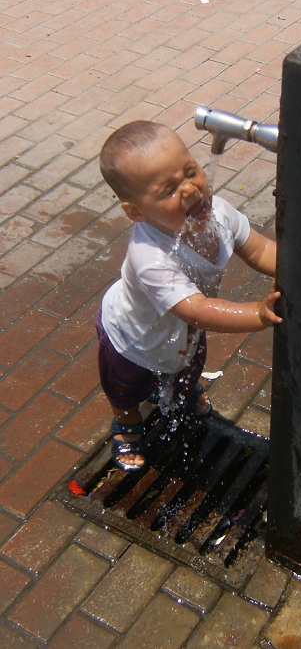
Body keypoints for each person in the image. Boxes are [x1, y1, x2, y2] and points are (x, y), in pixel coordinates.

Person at [96, 120, 282, 471]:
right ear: (137, 212)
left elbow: (259, 251)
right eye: (168, 190)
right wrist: (257, 314)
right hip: (131, 341)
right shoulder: (149, 256)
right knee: (126, 390)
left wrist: (300, 270)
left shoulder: (219, 213)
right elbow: (196, 310)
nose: (189, 190)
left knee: (188, 367)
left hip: (181, 336)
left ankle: (180, 392)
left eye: (190, 172)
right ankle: (126, 426)